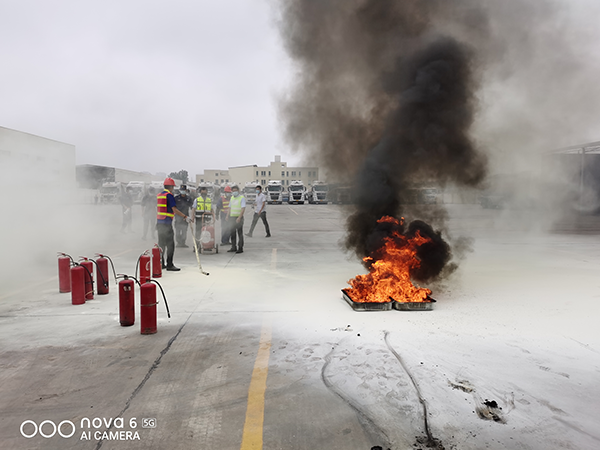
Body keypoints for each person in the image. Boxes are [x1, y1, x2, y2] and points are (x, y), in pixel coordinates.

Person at [157, 178, 190, 271]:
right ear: (171, 187)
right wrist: (185, 216)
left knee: (161, 244)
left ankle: (161, 263)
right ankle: (170, 264)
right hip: (166, 223)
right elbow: (174, 209)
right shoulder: (169, 195)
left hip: (159, 223)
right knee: (170, 245)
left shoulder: (159, 195)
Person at [226, 185, 246, 253]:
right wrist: (227, 216)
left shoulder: (241, 198)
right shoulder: (232, 198)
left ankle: (240, 248)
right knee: (232, 233)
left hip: (238, 218)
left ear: (238, 191)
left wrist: (239, 217)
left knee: (240, 233)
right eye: (233, 191)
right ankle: (233, 247)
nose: (234, 192)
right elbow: (229, 208)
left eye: (236, 191)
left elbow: (243, 209)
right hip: (232, 218)